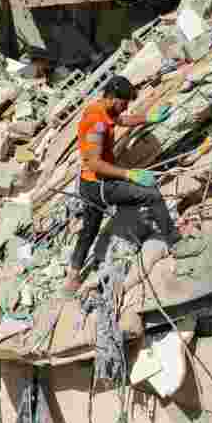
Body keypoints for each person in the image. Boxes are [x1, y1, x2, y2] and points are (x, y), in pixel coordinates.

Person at [64, 76, 186, 294]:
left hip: (89, 183)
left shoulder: (103, 109)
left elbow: (122, 120)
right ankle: (176, 242)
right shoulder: (97, 123)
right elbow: (95, 163)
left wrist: (148, 118)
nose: (126, 107)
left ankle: (72, 276)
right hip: (99, 184)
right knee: (151, 195)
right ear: (111, 97)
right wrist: (129, 174)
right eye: (124, 102)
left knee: (89, 229)